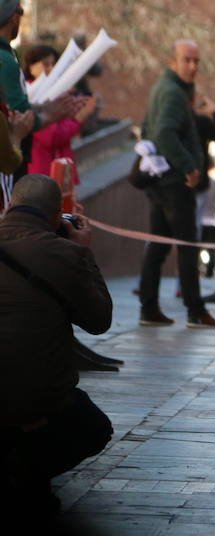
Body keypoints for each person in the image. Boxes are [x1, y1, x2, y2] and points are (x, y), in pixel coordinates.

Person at [0, 175, 113, 514]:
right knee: (93, 428)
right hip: (38, 399)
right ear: (56, 217)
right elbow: (98, 321)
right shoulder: (66, 253)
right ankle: (27, 476)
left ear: (8, 207)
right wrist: (83, 251)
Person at [137, 40, 215, 329]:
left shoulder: (170, 88)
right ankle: (195, 310)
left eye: (196, 61)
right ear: (172, 61)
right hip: (174, 183)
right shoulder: (173, 93)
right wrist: (189, 167)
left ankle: (149, 307)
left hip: (163, 181)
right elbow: (164, 133)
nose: (193, 66)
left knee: (160, 245)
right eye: (187, 60)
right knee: (187, 246)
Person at [0, 0, 78, 182]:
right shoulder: (5, 60)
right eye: (21, 11)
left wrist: (45, 107)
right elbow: (20, 116)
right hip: (8, 167)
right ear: (14, 17)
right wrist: (50, 115)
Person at [23, 45, 98, 181]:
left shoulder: (59, 92)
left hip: (59, 170)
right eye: (46, 64)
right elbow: (51, 137)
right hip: (42, 172)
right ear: (31, 67)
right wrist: (79, 118)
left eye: (54, 65)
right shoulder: (30, 95)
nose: (51, 69)